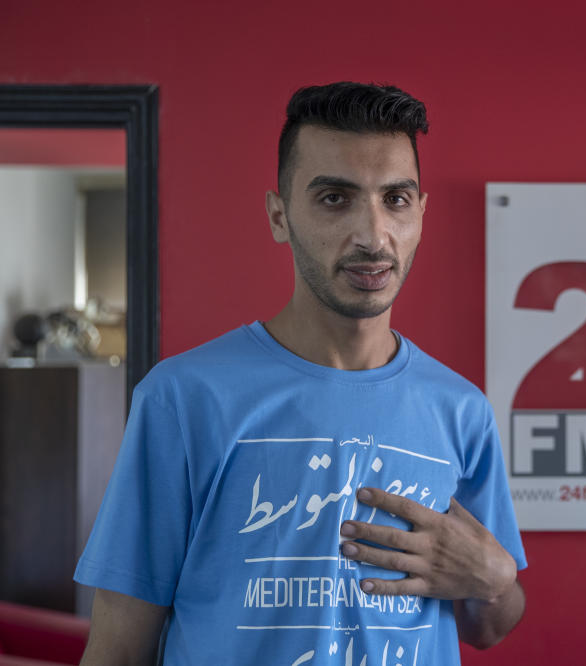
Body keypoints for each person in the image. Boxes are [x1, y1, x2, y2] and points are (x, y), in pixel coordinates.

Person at [75, 82, 526, 665]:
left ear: (420, 213)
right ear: (279, 216)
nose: (372, 236)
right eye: (335, 198)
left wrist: (493, 578)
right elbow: (117, 647)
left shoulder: (460, 409)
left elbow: (489, 625)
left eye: (395, 199)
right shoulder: (183, 398)